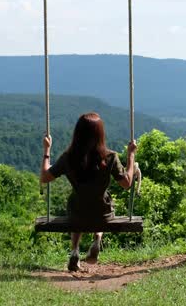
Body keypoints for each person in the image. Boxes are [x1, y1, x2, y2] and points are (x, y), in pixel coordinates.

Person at [40, 112, 138, 271]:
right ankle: (97, 239)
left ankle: (74, 251)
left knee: (78, 205)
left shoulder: (68, 157)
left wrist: (46, 151)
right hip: (103, 215)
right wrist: (131, 155)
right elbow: (126, 183)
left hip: (76, 214)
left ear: (77, 133)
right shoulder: (110, 157)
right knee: (100, 205)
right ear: (101, 134)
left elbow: (45, 177)